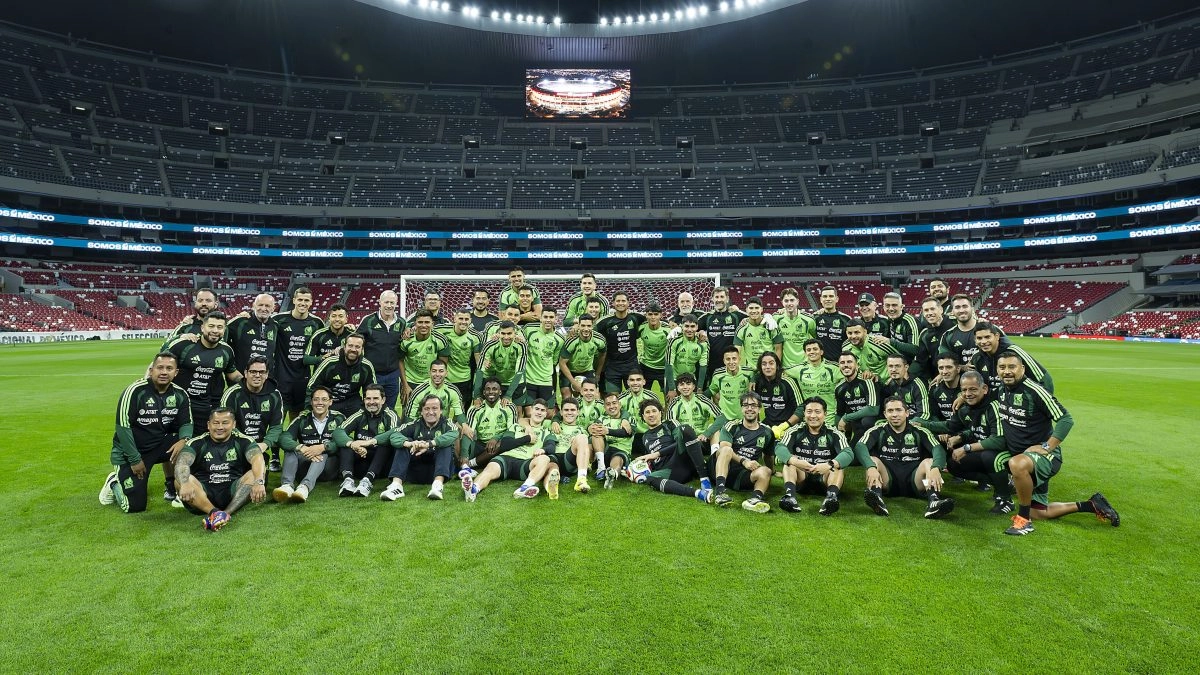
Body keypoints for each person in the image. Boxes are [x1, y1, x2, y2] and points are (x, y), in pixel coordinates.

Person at [987, 350, 1119, 536]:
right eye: (1002, 367)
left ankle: (1024, 521)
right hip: (1026, 459)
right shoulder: (1001, 390)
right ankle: (1091, 504)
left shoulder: (1035, 391)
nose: (1006, 371)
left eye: (1012, 367)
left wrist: (1048, 446)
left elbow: (1066, 419)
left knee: (1016, 463)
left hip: (1044, 458)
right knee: (1040, 512)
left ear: (1022, 369)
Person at [99, 351, 193, 514]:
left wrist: (183, 439)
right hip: (131, 452)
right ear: (151, 370)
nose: (164, 372)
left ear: (176, 372)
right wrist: (135, 460)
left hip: (158, 445)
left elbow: (187, 422)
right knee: (135, 506)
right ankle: (114, 483)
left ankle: (175, 488)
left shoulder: (180, 394)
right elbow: (123, 427)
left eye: (169, 368)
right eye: (160, 368)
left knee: (191, 447)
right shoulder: (135, 391)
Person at [917, 370, 1014, 514]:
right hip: (982, 448)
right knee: (954, 464)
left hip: (1008, 451)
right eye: (964, 390)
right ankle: (1002, 483)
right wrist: (922, 424)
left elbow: (999, 441)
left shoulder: (994, 407)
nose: (968, 394)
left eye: (973, 389)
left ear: (984, 389)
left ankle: (1005, 499)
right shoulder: (965, 409)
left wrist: (967, 447)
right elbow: (950, 426)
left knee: (990, 458)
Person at [855, 396, 956, 519]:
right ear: (885, 414)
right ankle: (878, 499)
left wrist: (936, 468)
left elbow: (938, 449)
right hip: (888, 480)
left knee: (929, 462)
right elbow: (860, 447)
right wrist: (870, 467)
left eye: (898, 410)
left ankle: (934, 502)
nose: (894, 414)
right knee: (873, 461)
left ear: (907, 413)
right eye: (890, 411)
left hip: (915, 480)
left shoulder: (920, 431)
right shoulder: (877, 430)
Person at [172, 407, 265, 531]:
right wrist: (184, 483)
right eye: (216, 423)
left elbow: (257, 458)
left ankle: (226, 513)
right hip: (202, 494)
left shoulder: (243, 440)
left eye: (225, 422)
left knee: (255, 474)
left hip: (233, 493)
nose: (220, 427)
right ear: (208, 425)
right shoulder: (197, 442)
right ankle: (214, 512)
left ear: (234, 424)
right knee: (180, 479)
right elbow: (182, 463)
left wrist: (259, 481)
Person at [463, 398, 558, 501]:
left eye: (542, 410)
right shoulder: (516, 427)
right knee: (489, 470)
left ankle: (524, 488)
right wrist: (527, 439)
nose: (539, 412)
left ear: (545, 414)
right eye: (537, 409)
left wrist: (543, 450)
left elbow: (551, 447)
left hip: (525, 463)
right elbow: (505, 444)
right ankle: (473, 490)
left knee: (544, 459)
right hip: (506, 458)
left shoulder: (547, 431)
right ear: (531, 410)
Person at [774, 397, 854, 515]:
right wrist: (796, 462)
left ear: (825, 414)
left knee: (838, 466)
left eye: (817, 412)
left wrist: (828, 465)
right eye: (809, 411)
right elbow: (779, 448)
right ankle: (790, 497)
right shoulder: (795, 430)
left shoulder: (834, 433)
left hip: (825, 478)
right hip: (802, 478)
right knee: (790, 462)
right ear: (804, 413)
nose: (813, 416)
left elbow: (848, 453)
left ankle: (830, 498)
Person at [625, 399, 715, 504]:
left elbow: (681, 443)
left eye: (654, 411)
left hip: (681, 460)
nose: (651, 415)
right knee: (650, 478)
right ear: (643, 417)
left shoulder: (670, 424)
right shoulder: (644, 437)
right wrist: (633, 469)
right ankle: (699, 493)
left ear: (660, 413)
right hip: (669, 471)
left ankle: (704, 479)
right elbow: (651, 460)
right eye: (647, 412)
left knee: (685, 428)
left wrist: (657, 453)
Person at [165, 312, 241, 432]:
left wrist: (250, 381)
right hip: (180, 406)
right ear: (202, 327)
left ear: (224, 330)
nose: (215, 330)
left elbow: (232, 373)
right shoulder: (184, 345)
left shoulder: (226, 350)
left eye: (219, 327)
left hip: (208, 408)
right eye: (211, 326)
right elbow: (160, 366)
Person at [273, 386, 351, 504]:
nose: (319, 403)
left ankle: (304, 487)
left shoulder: (339, 418)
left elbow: (346, 440)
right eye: (316, 399)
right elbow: (284, 438)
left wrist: (323, 447)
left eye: (324, 400)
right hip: (305, 462)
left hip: (329, 468)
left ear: (330, 402)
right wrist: (301, 447)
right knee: (291, 448)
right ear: (311, 402)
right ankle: (287, 486)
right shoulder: (302, 418)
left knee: (321, 453)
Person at [377, 394, 460, 501]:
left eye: (435, 408)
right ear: (421, 411)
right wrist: (409, 444)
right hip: (415, 473)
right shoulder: (414, 424)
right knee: (405, 441)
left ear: (441, 411)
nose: (430, 412)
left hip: (439, 471)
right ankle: (396, 486)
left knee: (445, 444)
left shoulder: (448, 424)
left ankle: (437, 487)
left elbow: (454, 433)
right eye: (426, 409)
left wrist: (429, 444)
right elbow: (394, 435)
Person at [709, 393, 776, 513]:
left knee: (766, 471)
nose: (749, 408)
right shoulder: (732, 426)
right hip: (720, 468)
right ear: (741, 408)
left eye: (753, 405)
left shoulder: (767, 432)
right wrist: (744, 461)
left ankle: (755, 500)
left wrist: (772, 472)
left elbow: (768, 456)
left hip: (741, 476)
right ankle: (720, 492)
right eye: (745, 405)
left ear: (760, 409)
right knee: (726, 450)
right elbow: (724, 448)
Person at [219, 356, 284, 473]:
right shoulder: (232, 394)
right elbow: (223, 425)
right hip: (234, 445)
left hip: (259, 447)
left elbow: (276, 427)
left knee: (258, 485)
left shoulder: (275, 395)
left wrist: (265, 444)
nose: (257, 375)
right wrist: (246, 444)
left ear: (267, 374)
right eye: (253, 371)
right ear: (245, 373)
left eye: (261, 372)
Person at [339, 384, 401, 498]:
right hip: (361, 461)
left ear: (383, 400)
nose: (371, 402)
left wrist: (369, 442)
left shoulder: (390, 415)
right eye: (368, 398)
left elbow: (395, 432)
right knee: (345, 444)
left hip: (381, 465)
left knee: (385, 444)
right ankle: (348, 481)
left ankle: (367, 482)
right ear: (364, 400)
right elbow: (338, 432)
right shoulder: (360, 414)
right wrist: (352, 444)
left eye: (375, 398)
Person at [274, 286, 325, 417]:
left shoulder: (317, 322)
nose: (303, 303)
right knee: (279, 413)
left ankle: (292, 438)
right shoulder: (279, 319)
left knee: (297, 414)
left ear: (311, 302)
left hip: (303, 377)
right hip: (281, 376)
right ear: (294, 300)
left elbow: (325, 340)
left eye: (306, 300)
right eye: (300, 299)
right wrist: (247, 315)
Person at [356, 289, 407, 410]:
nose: (389, 305)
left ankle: (388, 429)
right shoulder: (368, 320)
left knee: (390, 408)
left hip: (393, 375)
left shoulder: (401, 322)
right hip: (373, 374)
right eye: (386, 302)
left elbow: (404, 342)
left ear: (396, 304)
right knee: (371, 407)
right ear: (380, 302)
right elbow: (356, 340)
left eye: (392, 302)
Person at [459, 377, 521, 475]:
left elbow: (511, 432)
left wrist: (495, 438)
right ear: (483, 393)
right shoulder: (475, 409)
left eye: (494, 389)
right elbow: (468, 432)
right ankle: (464, 464)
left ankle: (470, 464)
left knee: (502, 444)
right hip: (481, 445)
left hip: (500, 445)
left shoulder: (510, 407)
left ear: (500, 392)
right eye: (488, 389)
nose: (491, 392)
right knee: (459, 438)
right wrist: (464, 455)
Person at [306, 332, 376, 418]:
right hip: (330, 402)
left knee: (368, 418)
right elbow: (312, 386)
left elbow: (372, 391)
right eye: (350, 346)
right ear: (344, 346)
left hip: (353, 403)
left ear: (362, 349)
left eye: (357, 347)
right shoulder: (329, 363)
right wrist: (308, 410)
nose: (353, 349)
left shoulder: (366, 366)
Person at [971, 321, 1053, 392]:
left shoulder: (1014, 351)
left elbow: (1042, 378)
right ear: (975, 340)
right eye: (979, 338)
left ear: (997, 336)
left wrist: (1042, 401)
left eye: (987, 337)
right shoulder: (976, 358)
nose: (984, 341)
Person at [594, 292, 646, 394]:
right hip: (612, 366)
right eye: (618, 301)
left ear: (628, 303)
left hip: (631, 364)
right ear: (613, 303)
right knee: (612, 398)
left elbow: (654, 320)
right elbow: (589, 332)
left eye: (623, 301)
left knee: (634, 395)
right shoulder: (604, 322)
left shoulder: (636, 318)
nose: (620, 303)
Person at [398, 309, 451, 406]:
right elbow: (400, 361)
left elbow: (442, 365)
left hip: (430, 382)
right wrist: (405, 385)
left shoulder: (440, 340)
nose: (423, 325)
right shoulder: (406, 339)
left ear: (432, 323)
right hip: (410, 381)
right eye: (420, 322)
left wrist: (437, 385)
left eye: (427, 322)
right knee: (407, 414)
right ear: (415, 323)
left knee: (432, 413)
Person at [523, 307, 566, 417]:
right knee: (529, 413)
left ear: (556, 319)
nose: (548, 320)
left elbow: (554, 361)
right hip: (529, 379)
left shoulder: (559, 339)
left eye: (551, 317)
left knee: (549, 414)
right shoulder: (529, 329)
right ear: (541, 318)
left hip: (546, 381)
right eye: (545, 317)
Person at [697, 286, 746, 382]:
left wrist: (769, 316)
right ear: (712, 299)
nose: (719, 300)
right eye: (717, 297)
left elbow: (756, 316)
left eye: (722, 297)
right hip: (712, 364)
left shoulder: (736, 315)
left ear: (727, 299)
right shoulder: (707, 317)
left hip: (732, 363)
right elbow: (689, 328)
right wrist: (699, 332)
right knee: (715, 393)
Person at [472, 320, 528, 405]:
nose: (506, 337)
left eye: (509, 333)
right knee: (489, 408)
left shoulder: (521, 345)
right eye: (503, 333)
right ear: (499, 333)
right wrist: (476, 395)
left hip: (515, 381)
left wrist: (508, 395)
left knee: (518, 410)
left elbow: (519, 372)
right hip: (497, 381)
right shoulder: (489, 345)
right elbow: (480, 371)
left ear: (515, 333)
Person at [786, 338, 844, 417]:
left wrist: (866, 371)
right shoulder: (799, 370)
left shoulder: (833, 368)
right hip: (809, 417)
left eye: (815, 349)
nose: (812, 352)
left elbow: (852, 372)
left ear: (821, 352)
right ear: (805, 353)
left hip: (830, 417)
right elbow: (780, 372)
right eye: (808, 350)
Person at [436, 308, 483, 404]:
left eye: (466, 319)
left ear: (470, 321)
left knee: (462, 407)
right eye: (461, 319)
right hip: (446, 377)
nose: (463, 322)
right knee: (444, 406)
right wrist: (411, 327)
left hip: (464, 377)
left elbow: (478, 360)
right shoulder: (442, 329)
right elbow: (425, 328)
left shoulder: (475, 336)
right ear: (454, 319)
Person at [833, 352, 881, 442]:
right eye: (842, 363)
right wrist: (838, 432)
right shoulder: (839, 387)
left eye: (849, 362)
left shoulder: (867, 381)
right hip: (855, 425)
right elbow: (839, 413)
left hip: (873, 424)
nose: (846, 365)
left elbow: (873, 409)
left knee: (866, 421)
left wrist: (846, 418)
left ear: (857, 365)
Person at [549, 398, 594, 493]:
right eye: (566, 410)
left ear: (578, 412)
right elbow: (523, 420)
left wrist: (576, 441)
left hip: (568, 460)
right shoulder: (551, 424)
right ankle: (555, 480)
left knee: (582, 438)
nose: (569, 413)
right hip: (551, 458)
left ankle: (581, 480)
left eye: (572, 410)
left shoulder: (582, 429)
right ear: (560, 412)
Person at [225, 293, 278, 374]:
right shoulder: (240, 322)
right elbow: (222, 338)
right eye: (260, 305)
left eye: (267, 306)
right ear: (253, 306)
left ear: (273, 308)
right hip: (241, 377)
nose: (263, 308)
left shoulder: (275, 326)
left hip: (266, 378)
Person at [591, 390, 635, 488]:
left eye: (614, 403)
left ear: (619, 404)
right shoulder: (601, 419)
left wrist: (608, 431)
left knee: (617, 459)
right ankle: (601, 467)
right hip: (604, 449)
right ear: (604, 407)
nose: (611, 407)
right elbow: (594, 430)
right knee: (596, 434)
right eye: (608, 404)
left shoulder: (628, 419)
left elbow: (627, 433)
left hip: (621, 449)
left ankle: (612, 473)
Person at [666, 373, 722, 446]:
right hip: (685, 441)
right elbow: (669, 423)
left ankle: (714, 454)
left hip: (703, 439)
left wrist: (706, 433)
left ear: (693, 386)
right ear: (678, 388)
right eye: (682, 384)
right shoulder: (674, 402)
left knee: (714, 429)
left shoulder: (702, 399)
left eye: (688, 384)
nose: (685, 387)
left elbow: (721, 417)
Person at [559, 314, 606, 400]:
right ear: (578, 326)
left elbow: (603, 354)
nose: (586, 329)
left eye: (589, 326)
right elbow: (562, 363)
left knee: (595, 396)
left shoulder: (599, 339)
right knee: (567, 396)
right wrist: (574, 382)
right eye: (583, 325)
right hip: (569, 371)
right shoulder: (572, 341)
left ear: (593, 326)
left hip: (587, 370)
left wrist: (598, 374)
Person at [752, 352, 802, 434]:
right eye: (764, 364)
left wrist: (785, 425)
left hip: (789, 426)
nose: (767, 367)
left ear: (777, 366)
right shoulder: (758, 383)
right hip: (768, 425)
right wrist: (756, 425)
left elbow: (801, 408)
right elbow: (754, 405)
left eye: (771, 363)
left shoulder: (787, 382)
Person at [707, 346, 755, 426]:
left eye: (734, 358)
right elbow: (711, 391)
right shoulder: (718, 374)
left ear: (739, 359)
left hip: (745, 418)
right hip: (726, 419)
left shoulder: (749, 372)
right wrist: (695, 396)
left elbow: (759, 375)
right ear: (724, 361)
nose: (731, 362)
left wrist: (754, 379)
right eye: (728, 359)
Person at [665, 314, 709, 398]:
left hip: (691, 379)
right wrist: (671, 388)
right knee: (671, 407)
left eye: (692, 326)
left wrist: (699, 388)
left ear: (697, 327)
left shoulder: (703, 343)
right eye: (686, 326)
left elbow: (703, 366)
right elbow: (668, 364)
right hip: (674, 379)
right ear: (682, 326)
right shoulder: (674, 341)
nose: (689, 329)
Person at [734, 297, 782, 373]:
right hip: (751, 371)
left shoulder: (771, 326)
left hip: (769, 370)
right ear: (746, 310)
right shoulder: (741, 329)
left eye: (757, 308)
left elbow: (778, 349)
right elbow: (736, 352)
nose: (754, 311)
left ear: (761, 309)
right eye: (751, 308)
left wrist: (777, 368)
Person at [881, 354, 931, 424]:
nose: (894, 369)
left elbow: (924, 414)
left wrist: (907, 424)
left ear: (906, 367)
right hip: (899, 422)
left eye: (897, 366)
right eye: (890, 366)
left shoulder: (918, 384)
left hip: (917, 423)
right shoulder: (889, 385)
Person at [912, 296, 953, 381]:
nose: (929, 313)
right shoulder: (925, 334)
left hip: (959, 373)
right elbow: (920, 360)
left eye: (932, 309)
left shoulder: (955, 323)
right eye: (926, 310)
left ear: (941, 310)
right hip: (937, 377)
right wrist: (907, 374)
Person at [775, 287, 817, 370]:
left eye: (792, 300)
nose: (789, 303)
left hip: (805, 366)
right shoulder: (776, 319)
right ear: (782, 303)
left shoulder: (809, 320)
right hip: (786, 368)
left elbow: (815, 338)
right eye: (786, 301)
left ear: (797, 301)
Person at [939, 293, 987, 366]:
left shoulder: (988, 328)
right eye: (957, 307)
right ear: (952, 311)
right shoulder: (948, 336)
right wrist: (962, 367)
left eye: (965, 306)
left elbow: (1009, 349)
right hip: (962, 377)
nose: (961, 310)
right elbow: (944, 363)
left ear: (972, 309)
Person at [303, 303, 353, 369]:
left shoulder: (351, 336)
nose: (337, 319)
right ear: (329, 318)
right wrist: (321, 358)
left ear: (346, 319)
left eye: (341, 316)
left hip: (345, 376)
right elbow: (306, 359)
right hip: (323, 377)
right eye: (334, 316)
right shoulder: (319, 335)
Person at [637, 302, 671, 393]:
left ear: (661, 315)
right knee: (644, 395)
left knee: (668, 396)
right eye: (650, 314)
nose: (653, 317)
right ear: (646, 315)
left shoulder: (668, 329)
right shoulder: (641, 328)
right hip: (646, 366)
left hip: (663, 368)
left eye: (656, 314)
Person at [812, 286, 852, 363]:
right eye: (825, 296)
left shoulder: (846, 319)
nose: (827, 299)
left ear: (836, 299)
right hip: (819, 364)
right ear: (821, 299)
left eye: (831, 296)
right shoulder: (814, 318)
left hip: (839, 364)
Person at [618, 369, 663, 434]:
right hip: (629, 435)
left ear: (644, 382)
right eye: (632, 380)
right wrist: (623, 419)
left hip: (649, 434)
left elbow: (660, 417)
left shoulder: (652, 397)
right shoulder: (621, 398)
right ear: (628, 382)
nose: (635, 383)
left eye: (638, 380)